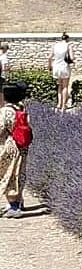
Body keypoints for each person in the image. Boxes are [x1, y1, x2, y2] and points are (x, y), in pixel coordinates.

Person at [1, 82, 30, 218]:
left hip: (9, 147)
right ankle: (19, 201)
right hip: (22, 146)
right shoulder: (21, 108)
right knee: (19, 172)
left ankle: (14, 206)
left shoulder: (5, 111)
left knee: (8, 173)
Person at [47, 33, 74, 111]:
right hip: (64, 67)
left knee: (59, 86)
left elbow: (49, 57)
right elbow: (72, 57)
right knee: (65, 86)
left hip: (56, 67)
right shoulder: (68, 46)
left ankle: (59, 104)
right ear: (67, 39)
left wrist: (49, 66)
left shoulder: (55, 45)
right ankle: (63, 105)